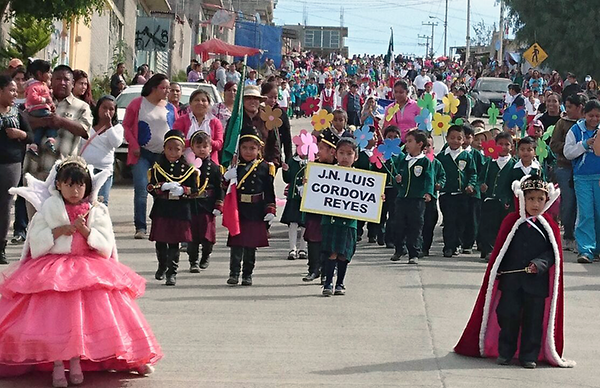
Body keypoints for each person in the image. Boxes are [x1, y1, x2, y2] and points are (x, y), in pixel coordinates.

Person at [0, 157, 162, 385]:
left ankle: (126, 358)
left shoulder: (96, 210)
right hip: (52, 270)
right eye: (69, 185)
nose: (75, 191)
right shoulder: (47, 208)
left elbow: (106, 244)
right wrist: (60, 231)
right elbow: (35, 243)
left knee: (107, 315)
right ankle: (58, 364)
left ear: (87, 186)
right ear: (58, 185)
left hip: (90, 267)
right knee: (55, 321)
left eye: (80, 185)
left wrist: (86, 232)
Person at [455, 175, 573, 369]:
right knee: (507, 315)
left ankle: (529, 356)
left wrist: (539, 264)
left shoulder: (548, 226)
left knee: (533, 321)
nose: (535, 204)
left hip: (536, 285)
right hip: (511, 282)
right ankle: (505, 352)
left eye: (540, 199)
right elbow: (502, 250)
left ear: (547, 200)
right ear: (522, 199)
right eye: (531, 199)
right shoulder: (511, 222)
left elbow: (552, 255)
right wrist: (498, 270)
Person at [123, 74, 178, 239]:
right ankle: (140, 226)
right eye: (164, 88)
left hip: (163, 156)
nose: (167, 91)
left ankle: (160, 224)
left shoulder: (170, 108)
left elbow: (176, 129)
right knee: (141, 188)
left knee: (161, 190)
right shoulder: (138, 104)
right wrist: (133, 145)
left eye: (168, 89)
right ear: (153, 88)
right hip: (142, 154)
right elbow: (126, 126)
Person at [222, 127, 276, 286]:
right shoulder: (235, 167)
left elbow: (269, 191)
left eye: (252, 148)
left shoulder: (265, 167)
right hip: (239, 210)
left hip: (256, 209)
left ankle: (247, 274)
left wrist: (270, 209)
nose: (248, 151)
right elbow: (225, 189)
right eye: (244, 147)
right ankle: (234, 273)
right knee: (236, 244)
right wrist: (226, 178)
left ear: (259, 148)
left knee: (251, 245)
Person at [147, 130, 199, 285]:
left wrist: (184, 190)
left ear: (182, 150)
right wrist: (161, 187)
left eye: (177, 149)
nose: (173, 152)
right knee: (161, 242)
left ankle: (172, 272)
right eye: (169, 148)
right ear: (164, 148)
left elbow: (195, 191)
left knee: (174, 243)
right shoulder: (157, 167)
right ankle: (162, 265)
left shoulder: (188, 170)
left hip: (180, 210)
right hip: (162, 209)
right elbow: (149, 187)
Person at [23, 65, 93, 182]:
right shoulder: (39, 101)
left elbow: (84, 130)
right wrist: (42, 122)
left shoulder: (82, 107)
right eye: (58, 79)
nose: (62, 83)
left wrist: (61, 121)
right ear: (51, 81)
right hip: (33, 171)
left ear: (72, 83)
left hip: (62, 175)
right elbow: (24, 121)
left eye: (66, 79)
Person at [320, 137, 359, 296]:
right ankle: (328, 282)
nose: (345, 157)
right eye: (341, 153)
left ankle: (340, 283)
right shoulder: (326, 173)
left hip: (349, 222)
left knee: (344, 253)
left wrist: (378, 198)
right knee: (331, 252)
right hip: (330, 220)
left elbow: (367, 197)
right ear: (335, 154)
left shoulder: (361, 177)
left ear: (355, 156)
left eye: (349, 154)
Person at [0, 75, 32, 264]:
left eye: (15, 91)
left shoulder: (17, 113)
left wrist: (20, 133)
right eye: (11, 90)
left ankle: (1, 246)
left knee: (5, 205)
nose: (15, 94)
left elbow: (31, 136)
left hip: (10, 164)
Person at [564, 99, 600, 263]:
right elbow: (568, 153)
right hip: (582, 178)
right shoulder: (576, 130)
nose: (594, 119)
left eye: (598, 116)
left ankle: (598, 248)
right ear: (584, 114)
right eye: (591, 115)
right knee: (586, 213)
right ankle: (586, 250)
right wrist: (585, 144)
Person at [390, 130, 434, 264]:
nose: (406, 144)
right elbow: (396, 177)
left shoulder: (425, 162)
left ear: (420, 144)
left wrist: (428, 192)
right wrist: (397, 180)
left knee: (415, 226)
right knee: (399, 225)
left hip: (417, 200)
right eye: (406, 141)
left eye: (410, 141)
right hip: (402, 198)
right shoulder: (403, 160)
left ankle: (413, 253)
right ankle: (399, 249)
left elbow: (429, 179)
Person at [550, 93, 587, 251]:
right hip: (565, 167)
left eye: (570, 107)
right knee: (569, 201)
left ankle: (583, 236)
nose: (568, 110)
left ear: (580, 108)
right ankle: (568, 235)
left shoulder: (589, 124)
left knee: (583, 203)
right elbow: (554, 144)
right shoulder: (562, 123)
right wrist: (570, 148)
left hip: (584, 169)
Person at [302, 129, 338, 283]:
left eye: (322, 148)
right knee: (313, 240)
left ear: (332, 151)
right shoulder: (313, 166)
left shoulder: (340, 169)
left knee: (329, 241)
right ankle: (313, 269)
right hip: (315, 212)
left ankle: (327, 271)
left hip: (332, 214)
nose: (318, 151)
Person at [436, 124, 477, 257]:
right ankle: (448, 246)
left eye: (459, 138)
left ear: (464, 140)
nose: (455, 141)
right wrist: (438, 184)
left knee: (461, 221)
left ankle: (457, 244)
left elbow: (473, 173)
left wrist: (471, 185)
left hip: (462, 195)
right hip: (446, 194)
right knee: (449, 221)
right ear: (447, 138)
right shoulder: (442, 157)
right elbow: (436, 173)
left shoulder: (467, 156)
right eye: (452, 138)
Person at [186, 131, 223, 272]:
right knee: (192, 236)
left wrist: (219, 204)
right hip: (192, 205)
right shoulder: (188, 167)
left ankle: (206, 255)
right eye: (198, 146)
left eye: (205, 146)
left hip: (207, 205)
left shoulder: (214, 168)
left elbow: (220, 188)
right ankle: (193, 261)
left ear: (210, 148)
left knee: (207, 236)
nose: (202, 149)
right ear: (193, 148)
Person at [78, 95, 123, 206]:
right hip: (85, 169)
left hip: (104, 171)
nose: (107, 111)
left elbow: (116, 143)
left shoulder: (117, 128)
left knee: (101, 203)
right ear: (98, 108)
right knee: (83, 201)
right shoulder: (89, 124)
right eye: (104, 108)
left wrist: (109, 125)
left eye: (111, 109)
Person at [479, 132, 516, 260]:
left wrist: (509, 199)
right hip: (490, 200)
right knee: (489, 226)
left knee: (503, 227)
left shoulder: (514, 164)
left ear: (512, 147)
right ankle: (489, 250)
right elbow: (481, 178)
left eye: (507, 144)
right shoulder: (490, 163)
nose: (504, 147)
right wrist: (482, 185)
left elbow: (514, 185)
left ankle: (502, 251)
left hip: (505, 202)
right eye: (500, 144)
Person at [173, 89, 223, 164]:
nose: (200, 103)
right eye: (196, 100)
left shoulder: (215, 122)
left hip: (210, 164)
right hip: (185, 163)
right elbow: (176, 142)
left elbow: (219, 144)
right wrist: (194, 141)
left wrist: (207, 142)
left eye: (203, 100)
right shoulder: (181, 121)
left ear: (209, 104)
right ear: (190, 103)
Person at [281, 146, 308, 261]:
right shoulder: (292, 161)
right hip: (294, 197)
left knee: (305, 224)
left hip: (306, 197)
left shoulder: (312, 162)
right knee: (292, 223)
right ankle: (292, 248)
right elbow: (287, 179)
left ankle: (303, 248)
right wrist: (286, 170)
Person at [25, 59, 56, 156]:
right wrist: (44, 100)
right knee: (53, 121)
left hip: (41, 109)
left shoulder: (42, 85)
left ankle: (34, 145)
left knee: (40, 128)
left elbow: (48, 98)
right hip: (38, 109)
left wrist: (51, 106)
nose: (50, 75)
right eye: (48, 72)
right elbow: (32, 97)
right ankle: (50, 138)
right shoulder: (35, 85)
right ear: (39, 74)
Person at [422, 133, 446, 257]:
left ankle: (425, 247)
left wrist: (439, 183)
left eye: (429, 145)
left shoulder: (436, 163)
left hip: (431, 199)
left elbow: (442, 175)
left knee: (429, 224)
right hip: (416, 198)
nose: (426, 148)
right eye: (423, 146)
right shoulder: (414, 161)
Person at [262, 82, 292, 163]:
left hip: (274, 157)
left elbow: (287, 139)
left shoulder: (281, 113)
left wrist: (288, 159)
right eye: (270, 97)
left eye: (275, 97)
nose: (273, 100)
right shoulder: (258, 112)